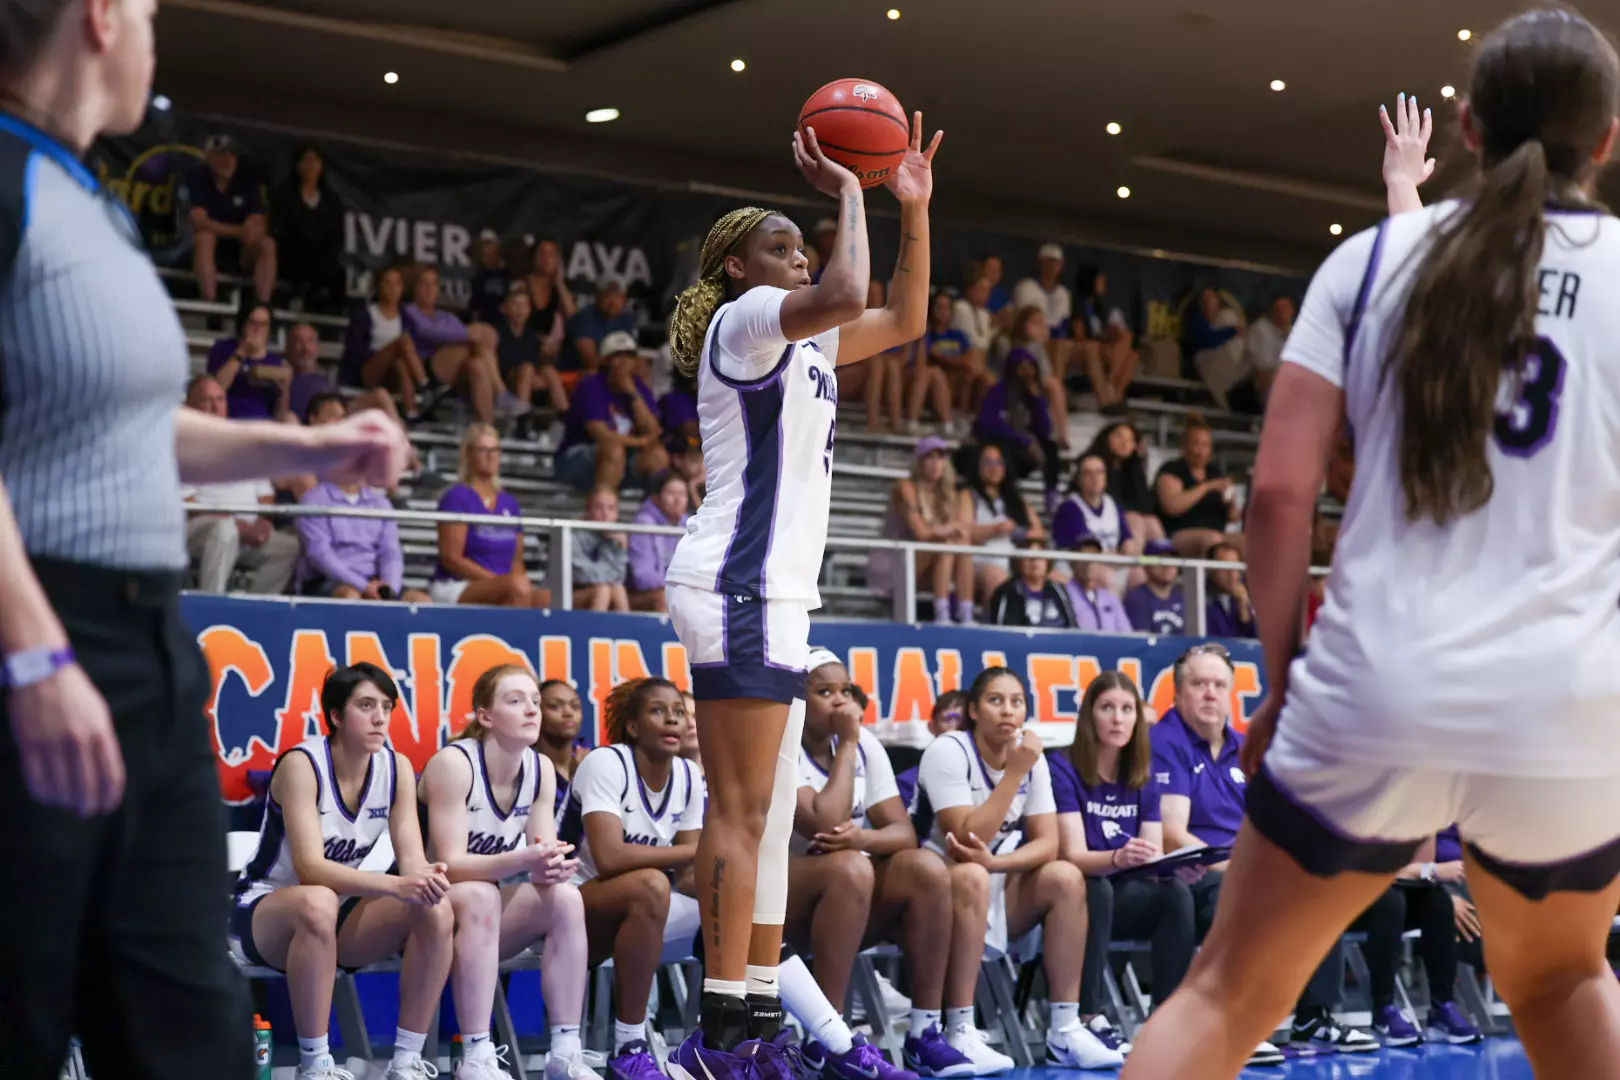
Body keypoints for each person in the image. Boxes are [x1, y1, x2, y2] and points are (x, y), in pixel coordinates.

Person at [1124, 14, 1620, 1079]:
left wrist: (1280, 682)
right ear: (1610, 139)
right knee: (1567, 982)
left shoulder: (1372, 260)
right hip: (1566, 700)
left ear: (1467, 125)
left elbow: (1277, 495)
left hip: (1374, 685)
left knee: (1224, 997)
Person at [0, 6, 414, 1073]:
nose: (150, 34)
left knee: (191, 1020)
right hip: (40, 632)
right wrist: (35, 651)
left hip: (147, 649)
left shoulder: (90, 197)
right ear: (98, 17)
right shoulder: (7, 184)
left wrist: (315, 449)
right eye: (142, 11)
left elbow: (134, 429)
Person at [660, 113, 941, 1078]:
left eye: (802, 242)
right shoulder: (746, 323)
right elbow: (850, 288)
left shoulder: (809, 343)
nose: (798, 253)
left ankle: (755, 1013)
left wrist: (914, 206)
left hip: (773, 592)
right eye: (778, 245)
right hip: (734, 581)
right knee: (741, 811)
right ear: (736, 269)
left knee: (771, 815)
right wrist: (853, 188)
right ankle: (719, 1031)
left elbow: (903, 318)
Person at [231, 664, 454, 1080]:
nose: (379, 717)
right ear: (336, 716)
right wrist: (396, 884)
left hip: (336, 912)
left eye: (386, 707)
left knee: (435, 907)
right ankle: (315, 1065)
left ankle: (405, 1061)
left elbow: (410, 858)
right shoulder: (302, 764)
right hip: (264, 912)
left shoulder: (397, 767)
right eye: (366, 706)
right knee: (317, 900)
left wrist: (427, 875)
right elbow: (310, 868)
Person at [912, 668, 1123, 1070]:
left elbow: (1048, 843)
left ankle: (1065, 1029)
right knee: (972, 874)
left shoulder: (1031, 756)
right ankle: (960, 1027)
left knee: (1065, 877)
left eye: (1017, 701)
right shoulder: (949, 750)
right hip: (935, 886)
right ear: (972, 710)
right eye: (995, 700)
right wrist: (1014, 774)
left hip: (991, 877)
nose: (1008, 710)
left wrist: (998, 862)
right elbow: (969, 836)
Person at [419, 665, 598, 1080]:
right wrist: (524, 860)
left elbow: (540, 855)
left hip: (478, 917)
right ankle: (476, 1056)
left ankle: (564, 1052)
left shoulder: (539, 770)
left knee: (568, 897)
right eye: (515, 701)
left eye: (534, 701)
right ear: (485, 716)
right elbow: (449, 865)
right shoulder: (454, 762)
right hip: (427, 908)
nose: (532, 710)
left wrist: (553, 866)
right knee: (480, 895)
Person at [790, 650, 958, 1080]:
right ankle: (826, 1039)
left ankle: (925, 1032)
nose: (841, 702)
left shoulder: (864, 743)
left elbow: (903, 832)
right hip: (777, 903)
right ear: (796, 697)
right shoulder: (780, 742)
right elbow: (823, 822)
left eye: (845, 691)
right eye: (824, 692)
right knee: (850, 867)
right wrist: (846, 742)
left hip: (847, 902)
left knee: (926, 868)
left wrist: (864, 837)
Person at [558, 678, 705, 1080]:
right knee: (651, 885)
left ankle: (732, 1040)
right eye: (659, 711)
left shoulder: (689, 775)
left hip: (636, 906)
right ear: (634, 726)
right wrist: (698, 851)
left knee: (740, 901)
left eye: (678, 711)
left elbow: (689, 875)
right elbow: (609, 857)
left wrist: (728, 875)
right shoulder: (606, 762)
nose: (673, 719)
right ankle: (629, 1045)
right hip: (565, 904)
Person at [1051, 671, 1193, 1056]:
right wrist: (1117, 857)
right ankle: (1087, 1018)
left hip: (1122, 890)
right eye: (1107, 708)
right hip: (1074, 894)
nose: (1118, 718)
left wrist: (1173, 865)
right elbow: (1072, 856)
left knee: (1175, 893)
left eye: (1127, 709)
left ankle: (1167, 1021)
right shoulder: (1062, 768)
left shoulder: (1142, 777)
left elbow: (1149, 855)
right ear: (1089, 716)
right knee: (1094, 887)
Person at [181, 375, 302, 595]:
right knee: (224, 530)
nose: (215, 407)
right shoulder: (182, 444)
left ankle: (249, 607)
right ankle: (212, 605)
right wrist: (239, 525)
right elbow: (190, 505)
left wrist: (263, 525)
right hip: (199, 529)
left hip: (248, 533)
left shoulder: (240, 443)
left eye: (220, 399)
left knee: (291, 547)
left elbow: (265, 496)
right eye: (206, 400)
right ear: (190, 407)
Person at [432, 425, 550, 608]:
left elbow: (517, 561)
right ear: (469, 455)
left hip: (506, 584)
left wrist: (509, 584)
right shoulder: (457, 497)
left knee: (551, 599)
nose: (491, 456)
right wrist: (498, 582)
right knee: (516, 587)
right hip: (458, 584)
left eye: (495, 450)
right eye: (483, 450)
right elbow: (451, 558)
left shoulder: (509, 502)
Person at [867, 436, 973, 625]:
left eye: (940, 458)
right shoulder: (905, 487)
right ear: (919, 462)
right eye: (929, 457)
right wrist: (952, 528)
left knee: (961, 546)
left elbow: (959, 531)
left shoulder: (946, 493)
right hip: (894, 563)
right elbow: (922, 533)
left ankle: (966, 614)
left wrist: (956, 529)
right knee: (947, 544)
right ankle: (942, 614)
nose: (935, 463)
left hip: (922, 563)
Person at [556, 331, 667, 492]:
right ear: (605, 360)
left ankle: (654, 511)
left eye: (629, 356)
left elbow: (653, 429)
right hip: (576, 458)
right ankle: (603, 508)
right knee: (613, 449)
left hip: (624, 458)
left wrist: (632, 393)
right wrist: (641, 442)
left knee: (658, 455)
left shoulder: (639, 387)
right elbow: (600, 433)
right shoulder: (590, 385)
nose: (624, 361)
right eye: (618, 355)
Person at [405, 265, 505, 425]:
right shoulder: (410, 311)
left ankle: (488, 429)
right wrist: (470, 333)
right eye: (424, 284)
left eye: (434, 284)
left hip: (456, 371)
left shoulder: (446, 316)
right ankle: (501, 393)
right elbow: (429, 332)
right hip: (427, 369)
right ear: (415, 287)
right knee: (479, 341)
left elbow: (468, 335)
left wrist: (472, 334)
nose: (429, 289)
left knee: (478, 365)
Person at [187, 132, 276, 304]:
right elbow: (200, 222)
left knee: (267, 244)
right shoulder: (197, 179)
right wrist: (238, 231)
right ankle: (210, 303)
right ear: (209, 157)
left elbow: (256, 225)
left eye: (232, 155)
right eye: (221, 155)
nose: (228, 160)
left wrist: (232, 230)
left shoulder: (246, 182)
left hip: (239, 250)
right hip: (201, 250)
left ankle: (263, 306)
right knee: (205, 238)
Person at [955, 443, 1043, 611]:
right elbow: (962, 531)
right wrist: (994, 530)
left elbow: (1038, 532)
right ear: (977, 466)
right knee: (997, 577)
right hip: (979, 562)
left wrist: (1020, 533)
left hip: (1012, 561)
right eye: (988, 463)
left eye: (998, 462)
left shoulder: (1015, 500)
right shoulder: (968, 495)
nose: (994, 468)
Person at [341, 265, 433, 421]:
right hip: (369, 371)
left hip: (394, 374)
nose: (392, 289)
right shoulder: (365, 315)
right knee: (402, 342)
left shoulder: (406, 318)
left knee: (401, 364)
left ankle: (411, 412)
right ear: (379, 286)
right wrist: (386, 353)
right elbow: (354, 353)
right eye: (387, 283)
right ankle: (425, 386)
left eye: (397, 284)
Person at [973, 350, 1059, 501]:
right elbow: (989, 425)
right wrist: (1025, 440)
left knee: (1051, 447)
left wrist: (1038, 402)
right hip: (1005, 449)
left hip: (1028, 455)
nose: (1028, 373)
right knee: (1003, 449)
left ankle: (1051, 493)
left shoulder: (1034, 396)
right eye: (1023, 368)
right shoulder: (997, 393)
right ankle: (1008, 497)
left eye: (1031, 368)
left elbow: (1045, 431)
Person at [270, 144, 346, 312]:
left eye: (315, 161)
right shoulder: (285, 195)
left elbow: (336, 237)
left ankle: (330, 317)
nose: (311, 165)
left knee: (337, 273)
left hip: (320, 259)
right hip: (290, 259)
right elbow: (277, 230)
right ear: (297, 165)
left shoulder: (331, 200)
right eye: (306, 160)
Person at [1153, 416, 1241, 557]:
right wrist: (1206, 487)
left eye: (1205, 445)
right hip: (1178, 533)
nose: (1201, 451)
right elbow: (1173, 506)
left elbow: (1232, 517)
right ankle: (1211, 579)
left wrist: (1231, 503)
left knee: (1248, 541)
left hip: (1217, 532)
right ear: (1184, 446)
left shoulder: (1216, 472)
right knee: (1213, 540)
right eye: (1196, 444)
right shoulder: (1172, 469)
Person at [495, 281, 569, 415]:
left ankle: (564, 412)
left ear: (529, 310)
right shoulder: (498, 332)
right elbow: (502, 364)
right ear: (505, 308)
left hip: (528, 377)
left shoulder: (532, 335)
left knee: (549, 371)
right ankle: (521, 415)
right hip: (504, 379)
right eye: (515, 305)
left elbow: (536, 362)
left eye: (524, 306)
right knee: (527, 368)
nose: (520, 310)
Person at [1085, 421, 1164, 545]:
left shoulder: (1132, 469)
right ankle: (1132, 562)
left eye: (1130, 440)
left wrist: (1137, 463)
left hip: (1130, 520)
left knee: (1152, 521)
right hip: (1098, 520)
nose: (1124, 443)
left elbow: (1145, 505)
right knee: (1134, 519)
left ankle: (1164, 563)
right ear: (1107, 438)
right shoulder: (1092, 464)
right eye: (1119, 436)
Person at [208, 302, 290, 420]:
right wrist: (242, 351)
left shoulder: (276, 361)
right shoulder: (223, 349)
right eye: (253, 323)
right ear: (243, 324)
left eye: (263, 324)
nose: (257, 329)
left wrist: (285, 389)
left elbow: (280, 410)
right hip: (230, 418)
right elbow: (217, 388)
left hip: (263, 422)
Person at [1073, 269, 1138, 411]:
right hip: (1086, 348)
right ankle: (1110, 386)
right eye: (1100, 280)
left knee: (1132, 352)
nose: (1103, 284)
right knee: (1112, 348)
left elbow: (1101, 333)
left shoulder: (1099, 305)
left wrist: (1112, 333)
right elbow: (1080, 335)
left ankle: (1117, 394)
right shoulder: (1079, 303)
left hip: (1102, 346)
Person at [627, 471, 690, 612]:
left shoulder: (690, 524)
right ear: (656, 498)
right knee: (666, 597)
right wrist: (680, 583)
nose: (677, 500)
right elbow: (643, 577)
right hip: (641, 594)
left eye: (682, 494)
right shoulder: (644, 523)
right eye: (671, 493)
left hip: (679, 587)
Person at [893, 691, 964, 809]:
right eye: (949, 719)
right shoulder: (906, 783)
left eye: (964, 721)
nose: (957, 727)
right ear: (931, 727)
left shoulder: (992, 774)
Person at [987, 540, 1077, 629]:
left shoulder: (1058, 590)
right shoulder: (1007, 592)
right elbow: (1003, 631)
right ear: (1018, 562)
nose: (1035, 561)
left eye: (1040, 556)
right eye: (1029, 556)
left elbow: (1071, 626)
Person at [572, 486, 630, 613]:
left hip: (602, 588)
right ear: (588, 511)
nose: (605, 513)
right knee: (603, 590)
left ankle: (627, 632)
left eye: (611, 508)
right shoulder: (572, 534)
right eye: (599, 507)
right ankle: (592, 632)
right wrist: (609, 575)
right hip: (567, 592)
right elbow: (582, 575)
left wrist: (621, 548)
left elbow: (619, 576)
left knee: (618, 589)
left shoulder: (618, 537)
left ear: (617, 514)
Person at [535, 679, 588, 816]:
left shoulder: (594, 758)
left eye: (575, 706)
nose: (568, 713)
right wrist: (576, 783)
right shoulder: (528, 767)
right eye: (554, 706)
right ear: (535, 712)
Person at [1065, 536, 1133, 633]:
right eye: (1083, 557)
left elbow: (1127, 634)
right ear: (1072, 562)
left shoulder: (1110, 597)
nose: (1089, 563)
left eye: (1094, 557)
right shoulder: (1065, 595)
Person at [1123, 539, 1186, 635]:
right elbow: (1142, 641)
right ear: (1146, 564)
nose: (1167, 565)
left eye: (1171, 559)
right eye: (1160, 559)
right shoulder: (1137, 599)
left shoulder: (1183, 599)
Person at [1204, 542, 1255, 638]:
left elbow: (1257, 639)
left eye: (1235, 568)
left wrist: (1243, 606)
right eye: (1224, 567)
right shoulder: (1200, 597)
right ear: (1210, 570)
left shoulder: (1248, 594)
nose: (1231, 574)